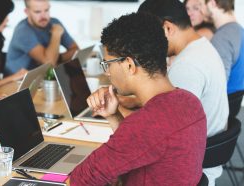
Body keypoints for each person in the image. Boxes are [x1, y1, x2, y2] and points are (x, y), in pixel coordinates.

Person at [70, 12, 207, 186]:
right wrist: (114, 116)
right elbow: (138, 149)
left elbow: (81, 179)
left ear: (129, 65)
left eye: (107, 64)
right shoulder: (190, 102)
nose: (107, 72)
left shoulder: (148, 123)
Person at [137, 0, 229, 185]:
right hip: (205, 156)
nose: (149, 45)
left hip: (191, 170)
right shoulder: (202, 47)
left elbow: (164, 134)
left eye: (149, 36)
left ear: (167, 28)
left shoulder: (187, 65)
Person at [5, 0, 79, 75]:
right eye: (37, 12)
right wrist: (56, 35)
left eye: (46, 10)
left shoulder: (55, 22)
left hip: (40, 78)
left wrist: (57, 57)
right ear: (27, 12)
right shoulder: (23, 31)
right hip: (16, 83)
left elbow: (76, 51)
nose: (44, 16)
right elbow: (50, 63)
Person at [204, 0, 244, 118]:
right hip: (234, 102)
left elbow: (217, 84)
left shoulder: (222, 37)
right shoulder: (239, 30)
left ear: (212, 4)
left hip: (221, 108)